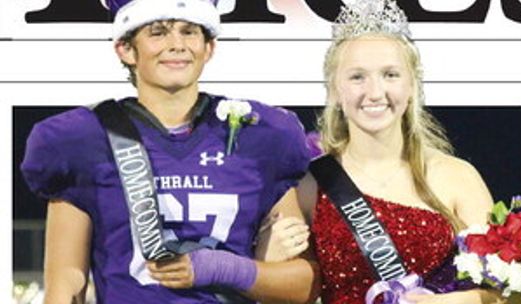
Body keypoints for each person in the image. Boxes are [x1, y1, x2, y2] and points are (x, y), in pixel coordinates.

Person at [20, 0, 319, 303]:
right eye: (158, 32)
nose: (176, 45)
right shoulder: (84, 139)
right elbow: (66, 282)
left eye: (189, 31)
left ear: (209, 47)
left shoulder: (258, 135)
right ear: (125, 49)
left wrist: (225, 269)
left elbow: (303, 286)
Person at [261, 0, 521, 303]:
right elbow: (282, 295)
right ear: (335, 89)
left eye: (390, 75)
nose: (375, 92)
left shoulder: (457, 177)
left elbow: (511, 293)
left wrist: (460, 301)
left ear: (413, 84)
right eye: (357, 76)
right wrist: (269, 260)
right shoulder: (307, 186)